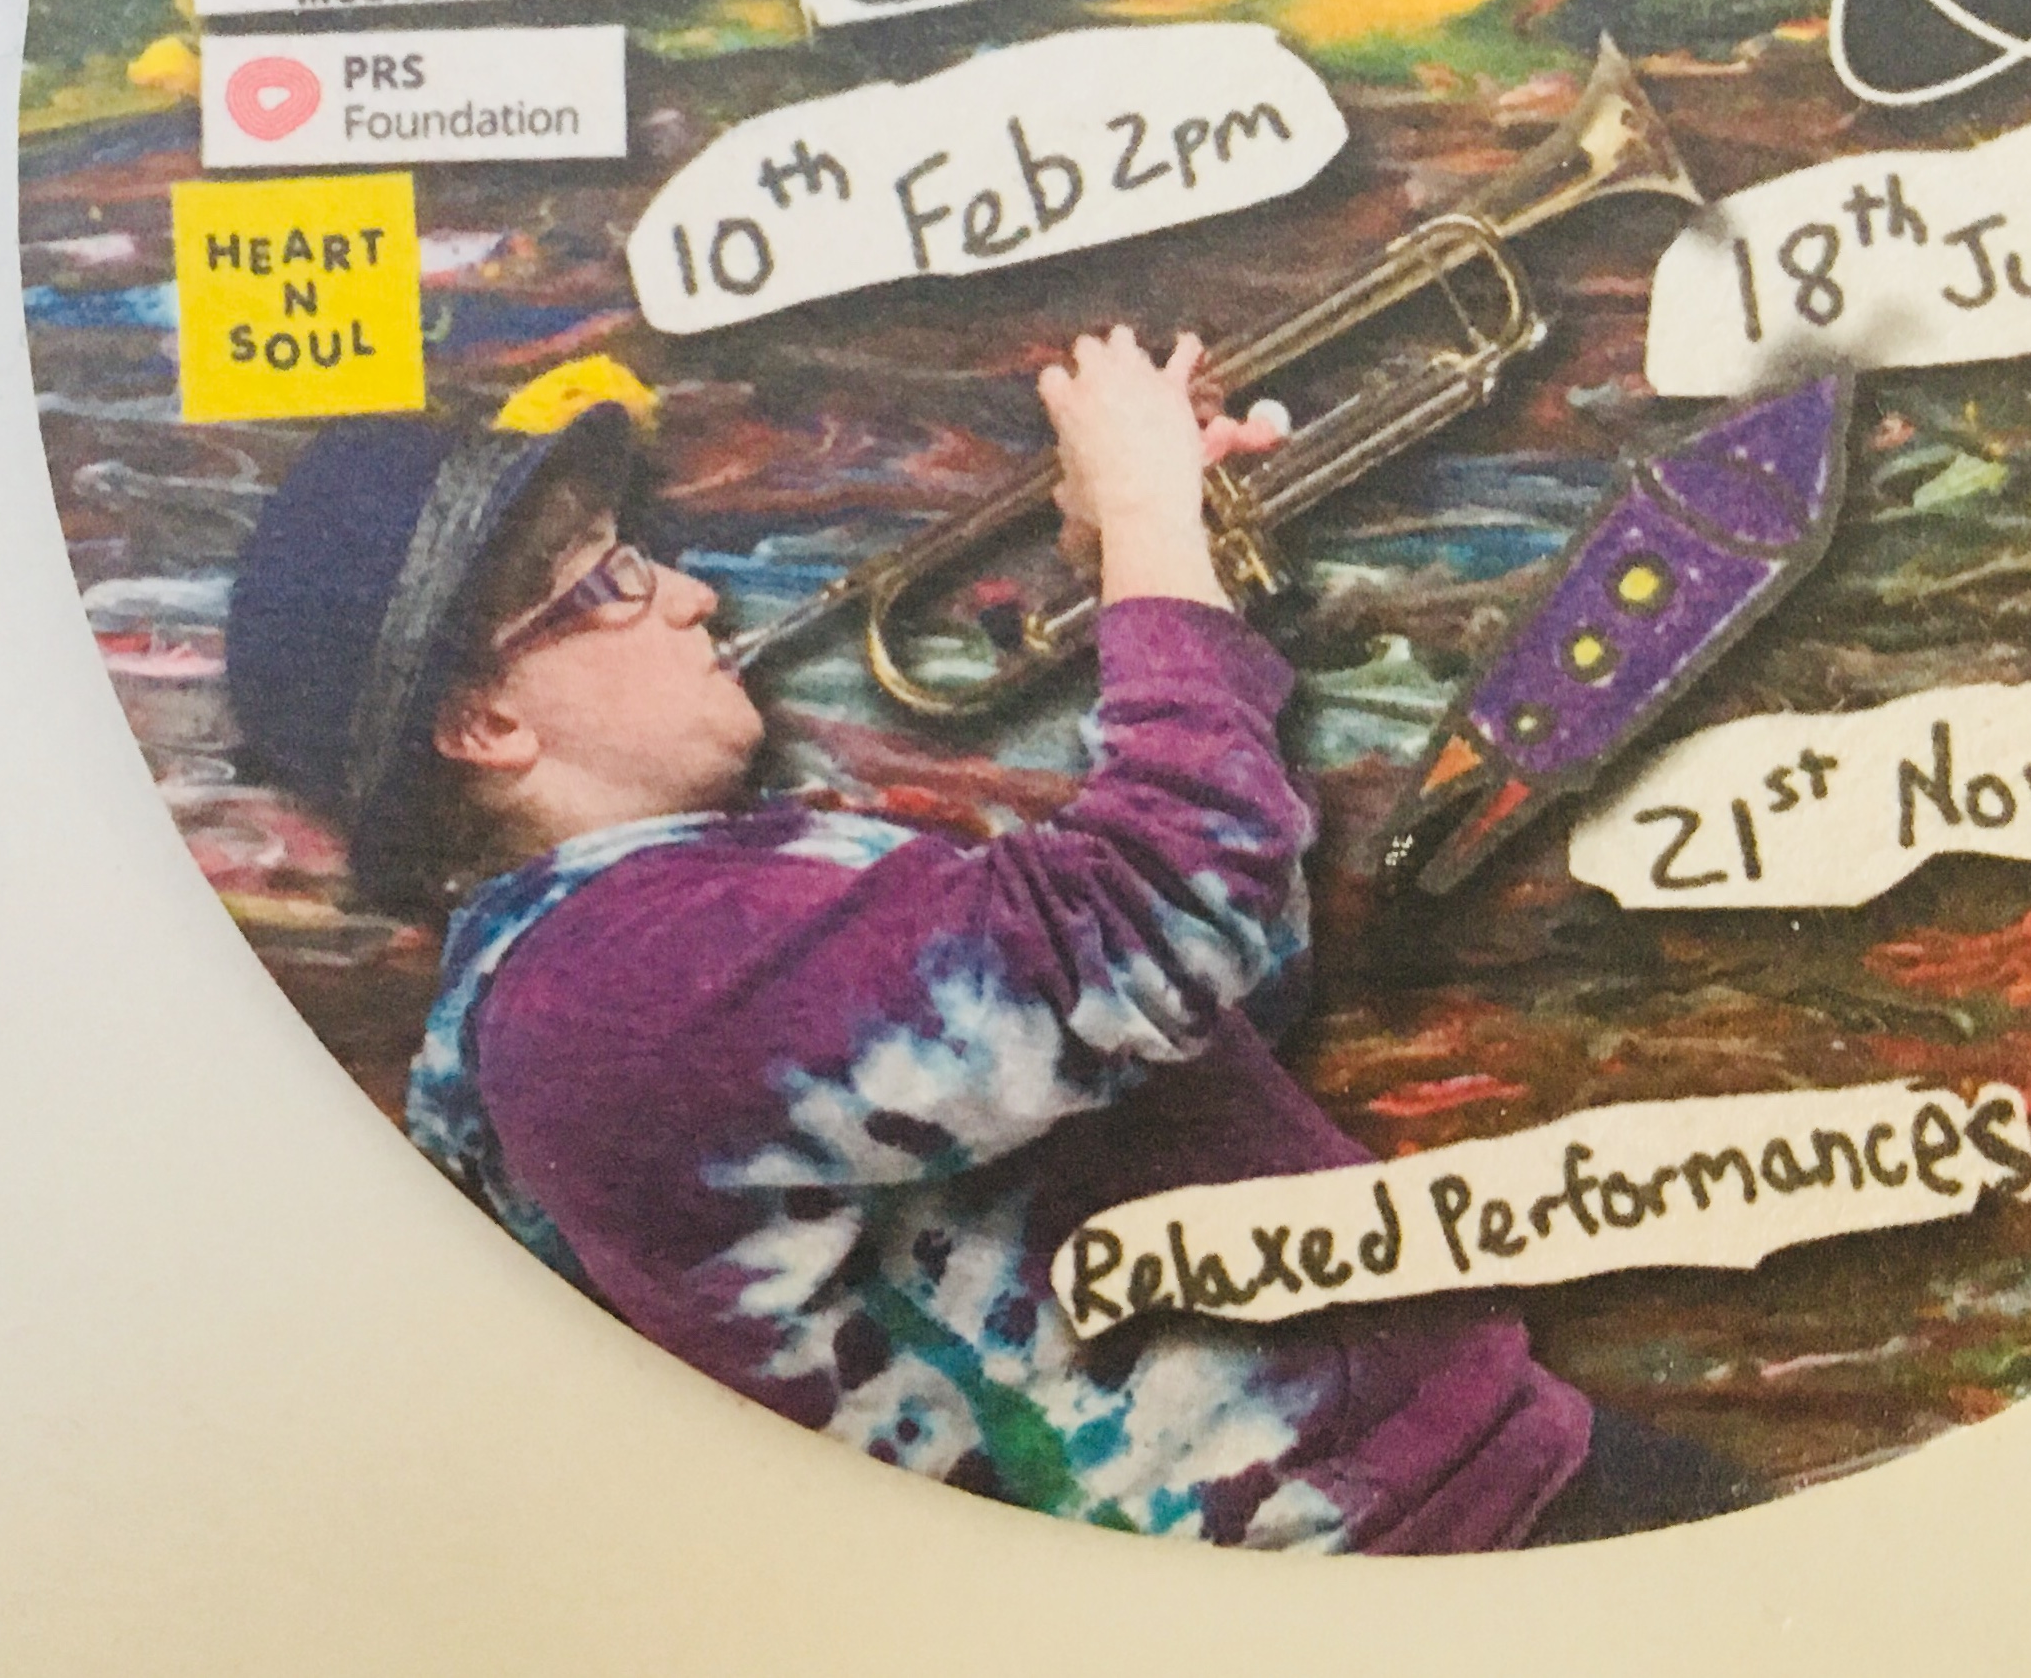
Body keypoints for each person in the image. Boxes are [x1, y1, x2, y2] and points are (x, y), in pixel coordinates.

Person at [224, 329, 1764, 1549]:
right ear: (484, 725)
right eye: (607, 580)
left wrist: (1146, 578)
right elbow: (1164, 925)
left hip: (1441, 1484)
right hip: (1363, 1561)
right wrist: (1148, 525)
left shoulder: (692, 906)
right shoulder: (622, 989)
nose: (685, 593)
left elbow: (1211, 993)